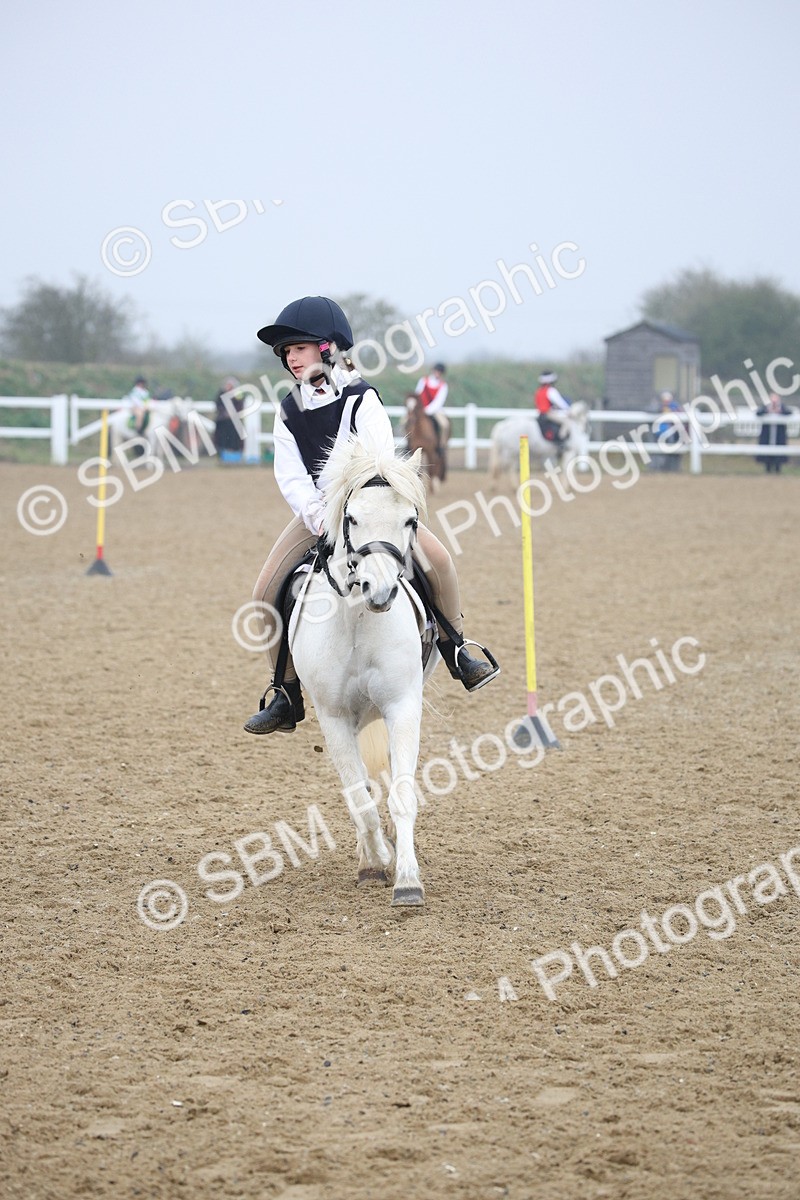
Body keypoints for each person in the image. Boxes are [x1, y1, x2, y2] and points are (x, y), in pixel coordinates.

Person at [244, 296, 500, 735]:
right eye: (286, 351)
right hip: (318, 514)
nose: (290, 357)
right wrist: (318, 516)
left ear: (327, 348)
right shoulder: (287, 411)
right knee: (264, 591)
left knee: (440, 561)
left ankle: (456, 648)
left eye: (299, 347)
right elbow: (291, 476)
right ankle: (285, 691)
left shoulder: (362, 399)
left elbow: (379, 462)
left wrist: (356, 510)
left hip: (372, 510)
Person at [414, 363, 449, 457]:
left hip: (435, 410)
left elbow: (439, 401)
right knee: (406, 421)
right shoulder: (423, 381)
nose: (438, 373)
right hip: (421, 408)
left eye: (440, 372)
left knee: (445, 425)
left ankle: (442, 445)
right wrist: (421, 408)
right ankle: (408, 443)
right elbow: (418, 393)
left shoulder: (443, 385)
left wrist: (428, 410)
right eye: (437, 371)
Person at [755, 393, 791, 474]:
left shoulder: (782, 407)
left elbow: (789, 412)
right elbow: (758, 413)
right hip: (767, 434)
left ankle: (778, 469)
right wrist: (767, 411)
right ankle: (768, 469)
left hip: (779, 434)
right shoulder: (765, 407)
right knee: (766, 451)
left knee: (779, 451)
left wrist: (780, 412)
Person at [213, 376, 246, 462]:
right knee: (222, 439)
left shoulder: (238, 394)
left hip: (235, 422)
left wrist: (234, 413)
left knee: (235, 439)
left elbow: (240, 405)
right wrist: (225, 413)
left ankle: (235, 456)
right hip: (223, 422)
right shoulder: (221, 394)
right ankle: (222, 455)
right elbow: (218, 405)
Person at [534, 371, 570, 444]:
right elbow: (562, 404)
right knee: (567, 422)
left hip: (540, 415)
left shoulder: (538, 391)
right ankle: (561, 442)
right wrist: (568, 409)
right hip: (549, 414)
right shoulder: (551, 390)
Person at [654, 390, 684, 471]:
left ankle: (672, 467)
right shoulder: (658, 406)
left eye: (668, 399)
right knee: (660, 450)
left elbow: (680, 414)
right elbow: (651, 410)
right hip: (660, 433)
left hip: (673, 433)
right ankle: (660, 466)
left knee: (673, 449)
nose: (666, 401)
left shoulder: (675, 407)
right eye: (664, 400)